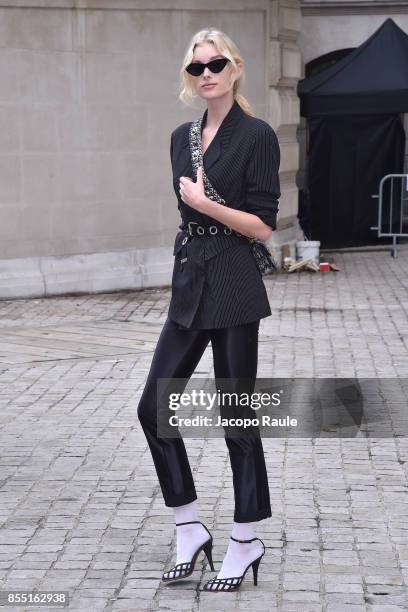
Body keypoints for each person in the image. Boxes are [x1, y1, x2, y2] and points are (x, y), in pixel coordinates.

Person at [137, 27, 281, 592]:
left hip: (235, 284)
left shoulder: (258, 135)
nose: (207, 74)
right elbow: (187, 213)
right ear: (189, 78)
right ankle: (189, 527)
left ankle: (245, 540)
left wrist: (204, 203)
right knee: (154, 409)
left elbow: (263, 224)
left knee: (236, 417)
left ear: (236, 68)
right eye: (197, 68)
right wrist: (195, 210)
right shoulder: (181, 137)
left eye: (216, 63)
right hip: (189, 282)